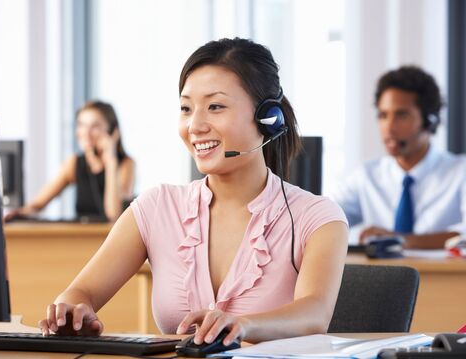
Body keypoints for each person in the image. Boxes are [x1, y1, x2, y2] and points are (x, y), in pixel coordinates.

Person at [38, 38, 348, 345]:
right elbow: (82, 293)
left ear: (268, 118)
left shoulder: (318, 218)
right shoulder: (156, 207)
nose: (195, 125)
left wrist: (242, 325)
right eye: (186, 108)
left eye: (215, 106)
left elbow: (315, 313)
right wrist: (72, 311)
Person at [331, 66, 466, 249]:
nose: (389, 127)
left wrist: (399, 240)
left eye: (401, 115)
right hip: (383, 278)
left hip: (443, 277)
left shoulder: (460, 173)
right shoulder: (366, 176)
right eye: (383, 115)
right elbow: (325, 218)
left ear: (430, 119)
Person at [5, 101, 135, 222]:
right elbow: (37, 204)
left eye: (95, 126)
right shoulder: (74, 163)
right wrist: (16, 213)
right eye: (81, 125)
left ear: (112, 131)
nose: (85, 132)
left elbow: (114, 215)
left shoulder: (126, 164)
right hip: (82, 239)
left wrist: (111, 162)